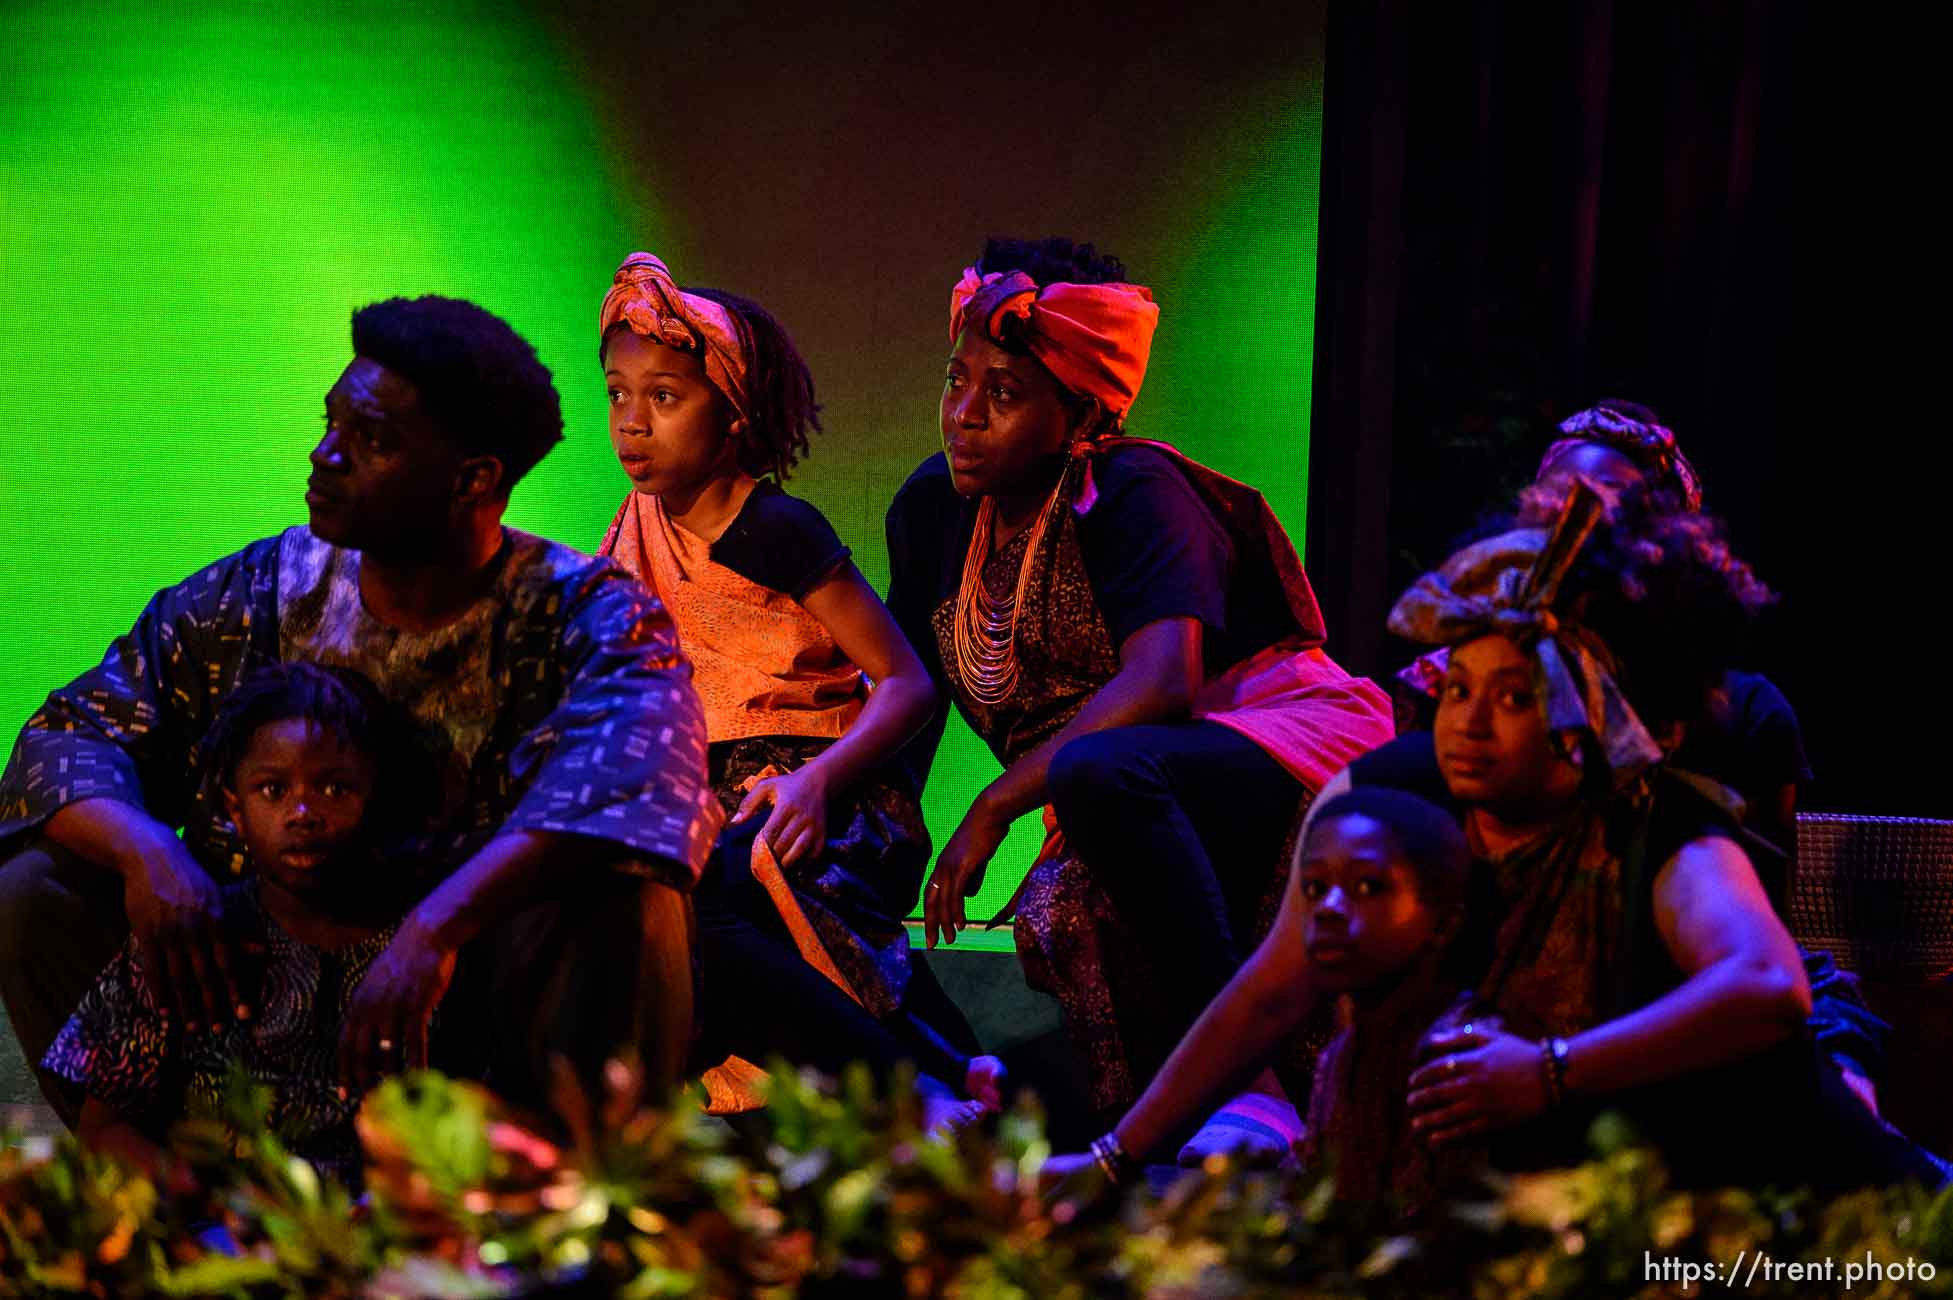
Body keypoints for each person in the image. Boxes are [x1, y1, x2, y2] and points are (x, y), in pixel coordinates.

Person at [1064, 481, 1944, 1192]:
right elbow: (1271, 992)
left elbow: (1763, 983)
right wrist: (1111, 1160)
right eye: (1456, 689)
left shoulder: (1653, 822)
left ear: (1585, 712)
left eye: (1514, 697)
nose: (1468, 724)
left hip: (1748, 1181)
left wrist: (1549, 1070)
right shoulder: (1384, 793)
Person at [0, 295, 718, 1126]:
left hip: (479, 986)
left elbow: (642, 784)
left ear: (472, 480)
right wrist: (147, 854)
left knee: (632, 898)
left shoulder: (585, 613)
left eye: (370, 442)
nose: (323, 456)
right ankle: (170, 1187)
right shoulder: (258, 591)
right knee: (34, 890)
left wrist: (432, 932)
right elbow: (67, 735)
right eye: (329, 424)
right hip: (263, 958)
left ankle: (564, 1213)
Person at [884, 237, 1394, 1127]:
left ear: (1081, 412)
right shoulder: (933, 511)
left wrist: (993, 805)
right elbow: (913, 700)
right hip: (1123, 772)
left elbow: (1162, 682)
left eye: (1003, 394)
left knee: (1096, 784)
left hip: (1270, 740)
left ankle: (1248, 1082)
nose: (963, 414)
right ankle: (945, 1084)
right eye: (954, 379)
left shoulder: (1133, 487)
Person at [593, 253, 1000, 1117]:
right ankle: (935, 1065)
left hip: (828, 788)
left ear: (733, 412)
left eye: (664, 397)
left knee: (709, 894)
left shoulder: (776, 528)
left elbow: (907, 686)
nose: (633, 423)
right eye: (618, 395)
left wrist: (817, 783)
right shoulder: (634, 535)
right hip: (710, 793)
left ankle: (911, 1094)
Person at [1394, 399, 1879, 1104]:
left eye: (1607, 500)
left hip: (1676, 974)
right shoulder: (1465, 678)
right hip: (1508, 967)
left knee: (1839, 1110)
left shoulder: (1741, 715)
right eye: (1556, 497)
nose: (1575, 516)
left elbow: (1756, 928)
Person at [45, 664, 456, 1184]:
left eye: (335, 788)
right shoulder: (190, 939)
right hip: (214, 1228)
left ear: (378, 799)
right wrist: (198, 1201)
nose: (303, 812)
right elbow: (104, 1127)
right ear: (232, 809)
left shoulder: (423, 956)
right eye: (273, 790)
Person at [1289, 788, 1485, 1213]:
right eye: (1315, 887)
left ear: (1445, 921)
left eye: (1366, 886)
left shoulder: (1459, 1059)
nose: (1328, 908)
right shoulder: (1341, 1058)